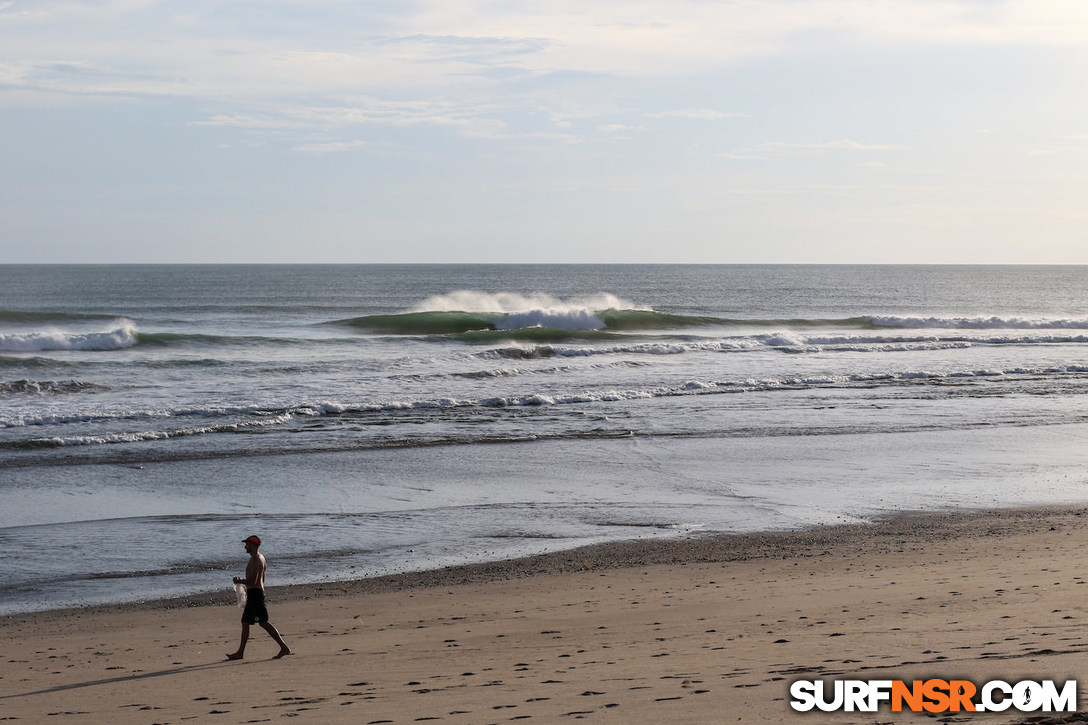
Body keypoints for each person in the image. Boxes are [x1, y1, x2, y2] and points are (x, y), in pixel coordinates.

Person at [226, 535, 292, 660]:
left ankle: (284, 647)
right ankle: (240, 652)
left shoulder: (256, 559)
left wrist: (240, 580)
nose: (245, 546)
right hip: (254, 593)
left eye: (247, 544)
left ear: (253, 545)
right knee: (245, 622)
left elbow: (254, 580)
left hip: (256, 594)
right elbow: (262, 579)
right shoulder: (258, 558)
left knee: (263, 622)